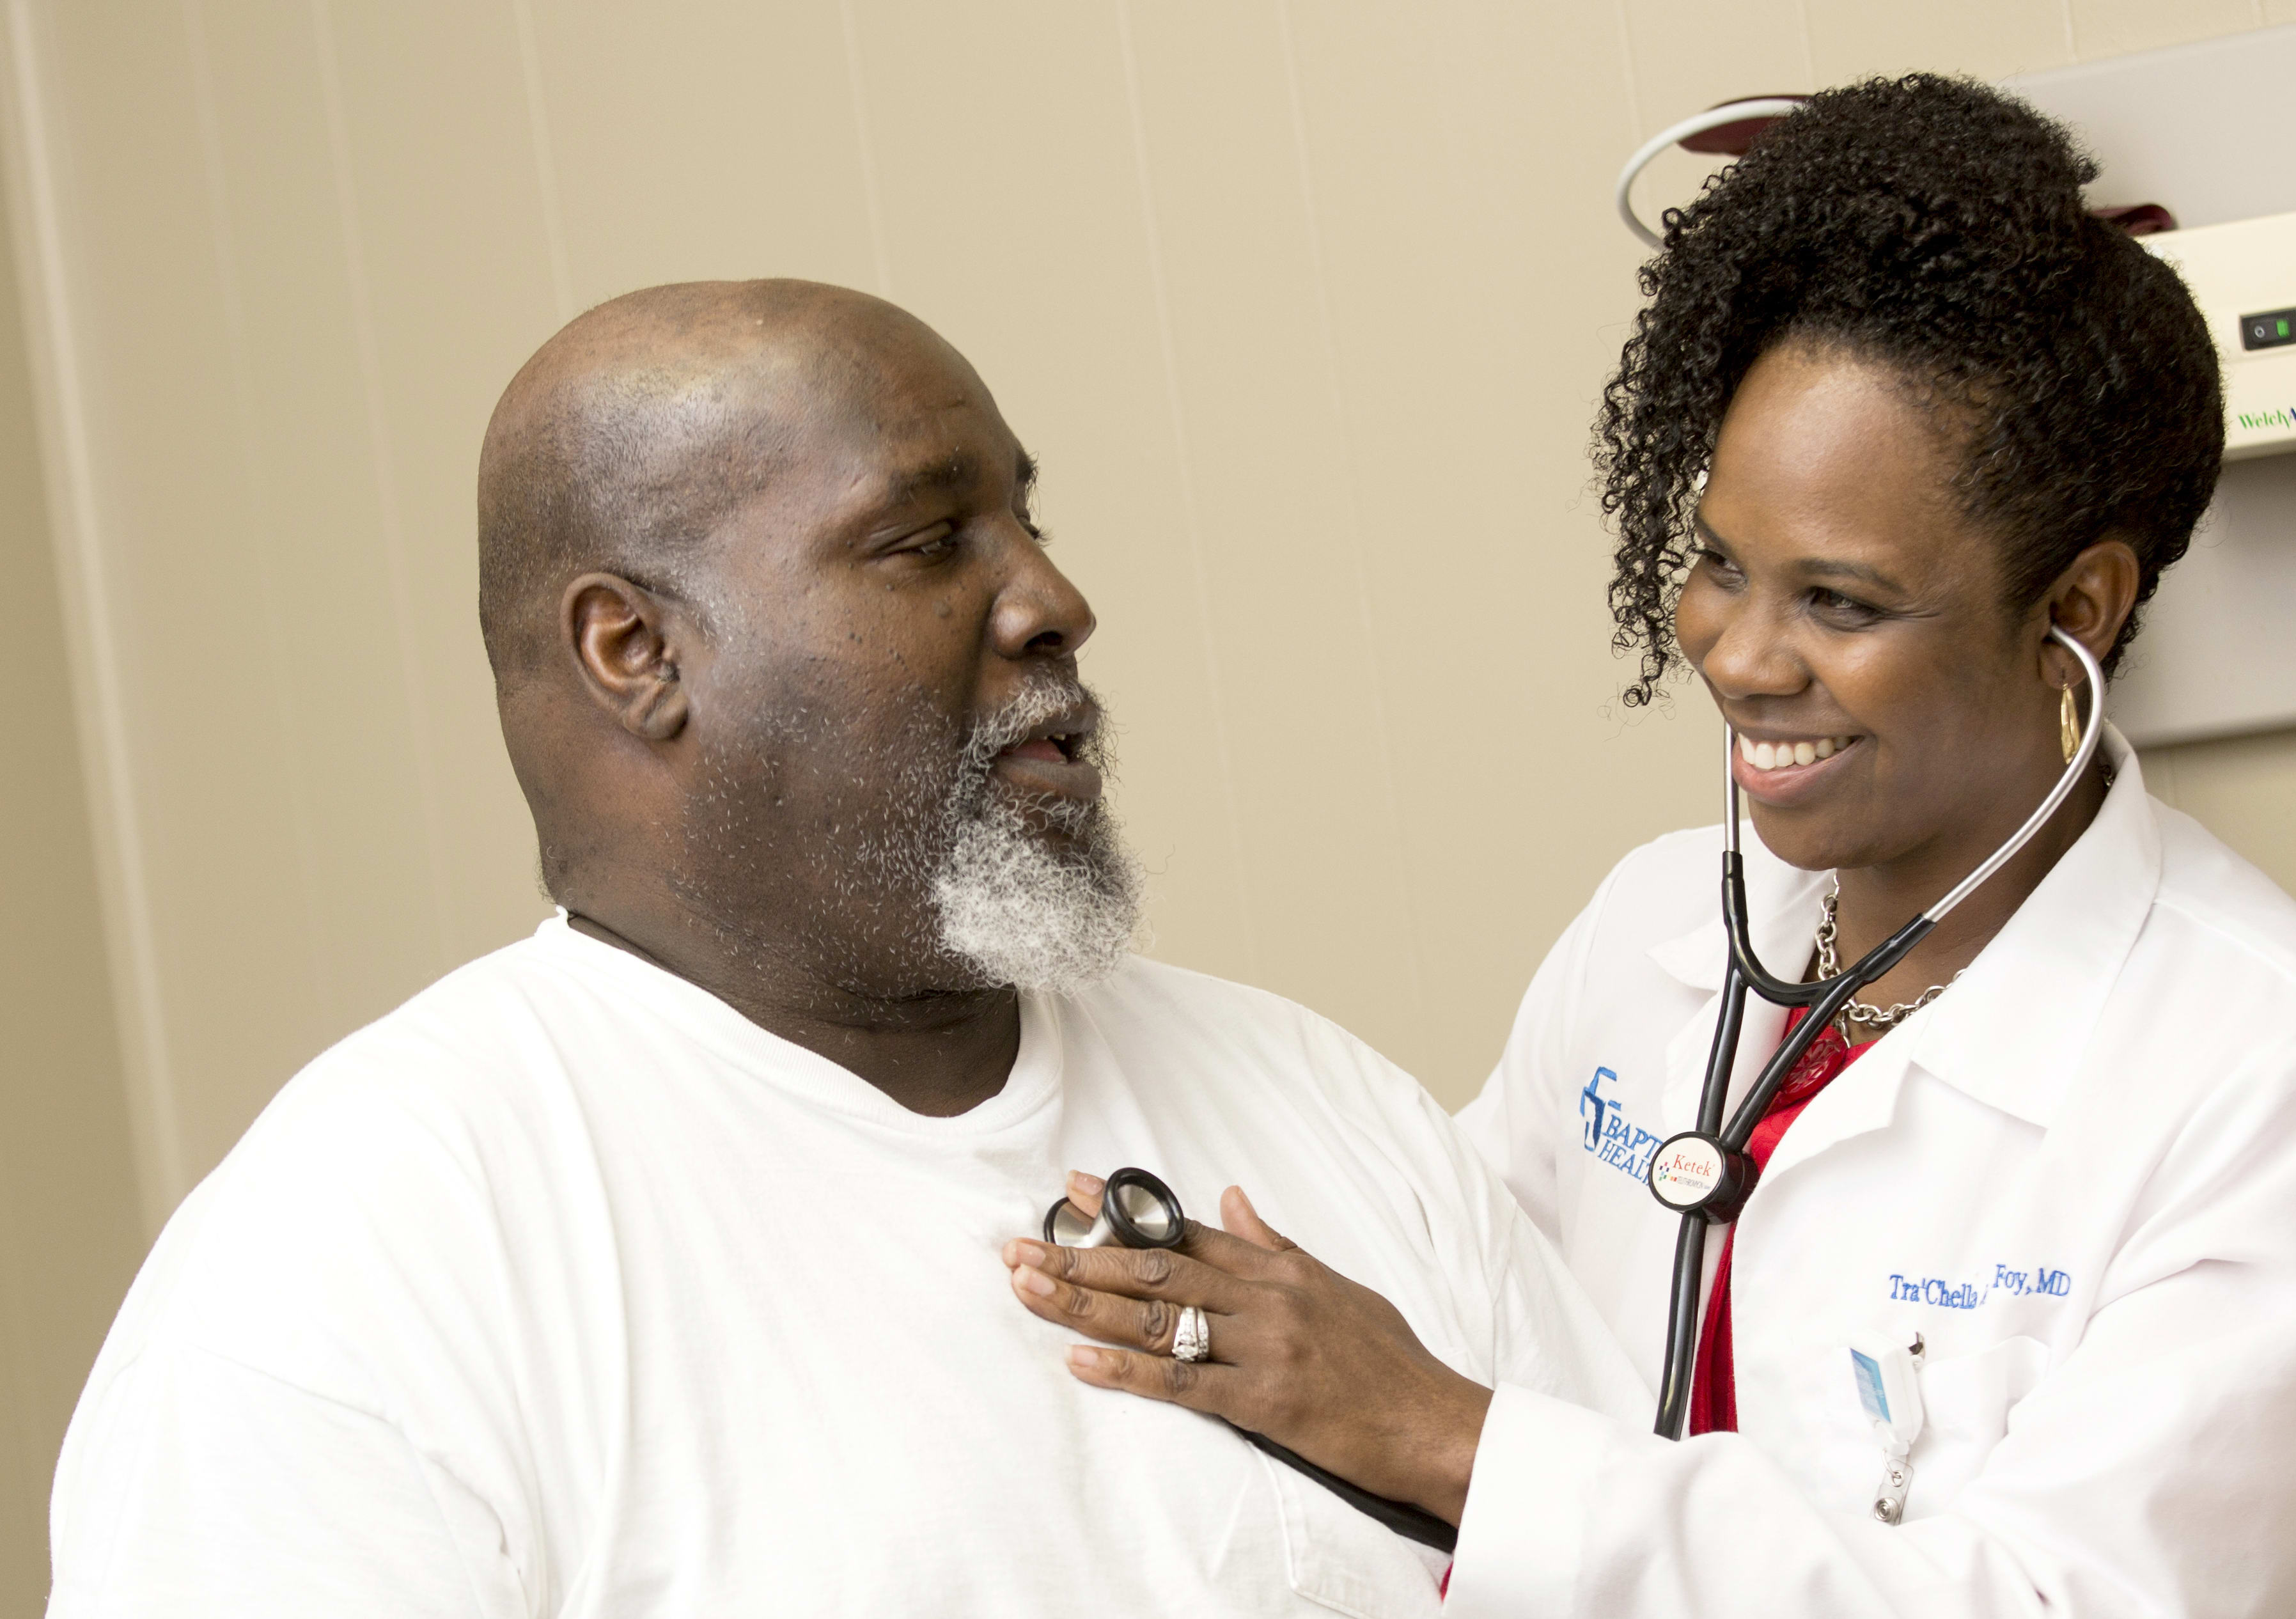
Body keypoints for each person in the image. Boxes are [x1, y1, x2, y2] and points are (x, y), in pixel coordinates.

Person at [1006, 77, 2296, 1618]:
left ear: (2079, 610)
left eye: (1840, 602)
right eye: (1718, 563)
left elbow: (2059, 1601)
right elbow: (1460, 1293)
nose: (1740, 655)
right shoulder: (1658, 931)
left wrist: (1447, 1442)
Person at [46, 279, 1639, 1616]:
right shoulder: (370, 1260)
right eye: (926, 541)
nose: (1053, 599)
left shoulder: (1319, 1106)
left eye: (1028, 519)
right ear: (636, 650)